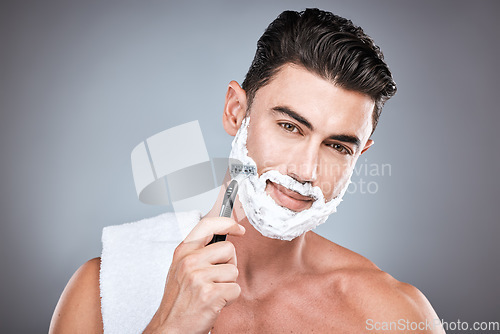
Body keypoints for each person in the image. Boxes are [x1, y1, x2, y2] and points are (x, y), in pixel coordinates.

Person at [50, 8, 444, 333]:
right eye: (290, 127)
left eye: (338, 146)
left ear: (358, 156)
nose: (306, 170)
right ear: (236, 112)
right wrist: (168, 327)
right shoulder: (104, 288)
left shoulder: (396, 316)